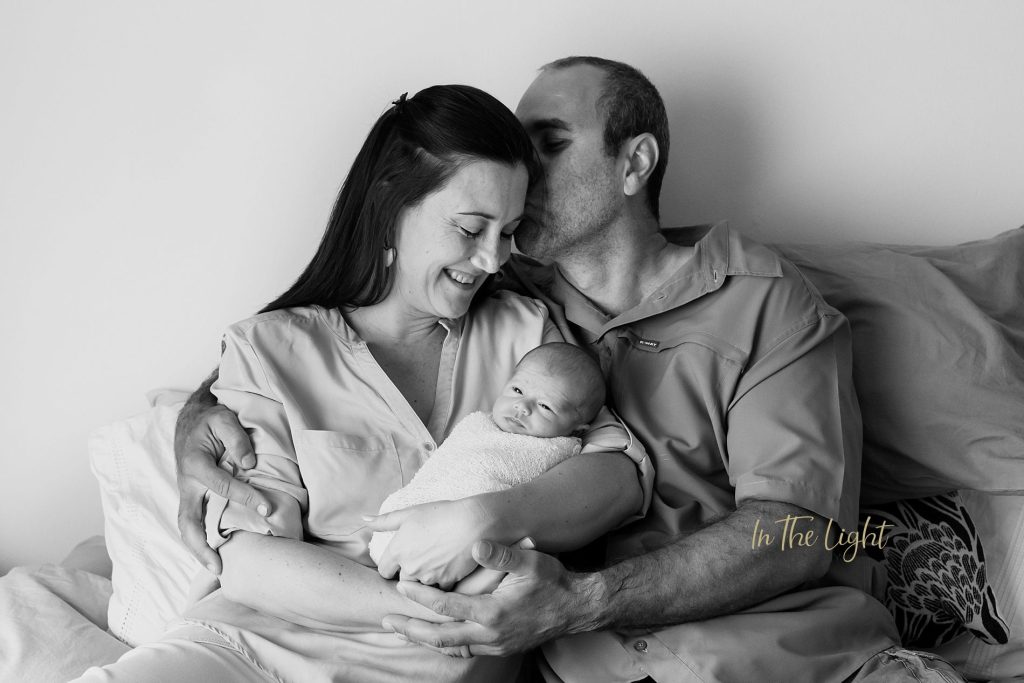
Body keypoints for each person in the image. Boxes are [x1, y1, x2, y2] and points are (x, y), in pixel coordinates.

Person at [175, 59, 965, 682]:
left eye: (548, 144)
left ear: (636, 162)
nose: (522, 167)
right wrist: (194, 417)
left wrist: (579, 603)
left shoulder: (767, 306)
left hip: (787, 658)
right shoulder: (503, 298)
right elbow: (328, 344)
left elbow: (798, 531)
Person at [74, 84, 648, 683]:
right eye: (470, 228)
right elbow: (248, 562)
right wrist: (432, 611)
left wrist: (480, 521)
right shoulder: (270, 347)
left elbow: (618, 475)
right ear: (390, 205)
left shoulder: (526, 334)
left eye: (508, 232)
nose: (492, 260)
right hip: (249, 650)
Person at [368, 341, 607, 592]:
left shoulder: (560, 455)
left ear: (577, 429)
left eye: (545, 406)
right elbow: (445, 467)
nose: (522, 407)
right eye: (517, 390)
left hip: (483, 547)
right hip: (420, 519)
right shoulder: (478, 427)